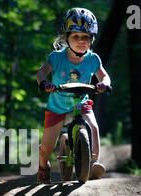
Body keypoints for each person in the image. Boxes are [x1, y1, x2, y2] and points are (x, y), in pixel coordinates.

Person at [36, 7, 111, 183]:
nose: (81, 41)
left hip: (81, 101)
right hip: (57, 105)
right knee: (46, 147)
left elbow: (104, 76)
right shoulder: (57, 57)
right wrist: (44, 83)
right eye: (76, 36)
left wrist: (104, 84)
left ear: (92, 39)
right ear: (66, 37)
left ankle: (93, 163)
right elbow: (41, 72)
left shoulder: (93, 59)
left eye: (86, 37)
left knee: (93, 127)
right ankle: (43, 166)